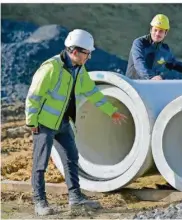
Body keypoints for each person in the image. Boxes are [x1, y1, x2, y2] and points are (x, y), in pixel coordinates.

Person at [25, 29, 128, 216]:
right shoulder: (51, 68)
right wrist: (32, 121)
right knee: (40, 164)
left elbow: (92, 92)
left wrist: (111, 111)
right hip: (44, 124)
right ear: (75, 51)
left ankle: (75, 198)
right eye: (87, 53)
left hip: (63, 123)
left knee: (72, 158)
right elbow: (34, 96)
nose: (89, 57)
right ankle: (40, 202)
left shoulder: (79, 69)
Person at [126, 14, 182, 80]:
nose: (157, 34)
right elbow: (139, 62)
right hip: (132, 86)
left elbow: (175, 64)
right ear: (151, 30)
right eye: (155, 30)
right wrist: (151, 77)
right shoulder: (139, 43)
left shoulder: (165, 49)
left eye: (161, 31)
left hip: (149, 86)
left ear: (165, 33)